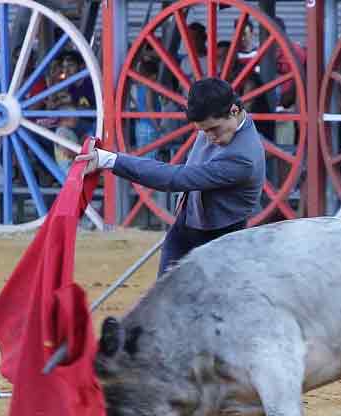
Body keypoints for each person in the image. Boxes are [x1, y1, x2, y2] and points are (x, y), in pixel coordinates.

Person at [75, 78, 266, 278]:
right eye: (202, 131)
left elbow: (176, 179)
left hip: (220, 240)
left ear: (234, 111)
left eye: (213, 129)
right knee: (164, 298)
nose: (209, 137)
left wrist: (108, 160)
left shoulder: (243, 158)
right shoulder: (222, 114)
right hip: (187, 224)